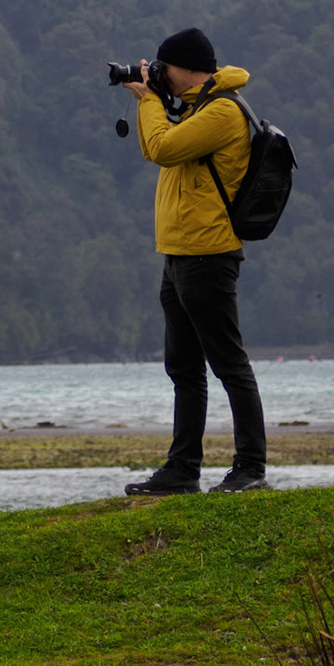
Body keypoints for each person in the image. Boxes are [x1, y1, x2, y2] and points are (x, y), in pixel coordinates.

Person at [117, 27, 268, 495]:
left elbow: (163, 148)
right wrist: (154, 101)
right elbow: (154, 148)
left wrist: (148, 99)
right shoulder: (197, 108)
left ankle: (251, 468)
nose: (159, 74)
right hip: (180, 252)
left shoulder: (222, 111)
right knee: (183, 367)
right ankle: (182, 470)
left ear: (184, 67)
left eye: (164, 68)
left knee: (228, 363)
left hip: (209, 252)